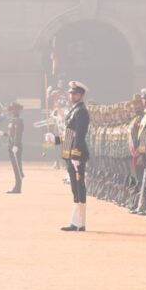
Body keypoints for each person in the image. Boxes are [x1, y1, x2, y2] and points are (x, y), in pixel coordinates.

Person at [60, 81, 91, 231]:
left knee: (79, 187)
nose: (72, 96)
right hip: (70, 154)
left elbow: (79, 135)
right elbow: (69, 135)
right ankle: (76, 221)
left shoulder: (81, 111)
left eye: (75, 94)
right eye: (71, 93)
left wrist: (76, 155)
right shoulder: (74, 110)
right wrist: (55, 139)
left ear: (81, 95)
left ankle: (80, 222)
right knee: (74, 187)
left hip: (76, 155)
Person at [7, 101, 25, 194]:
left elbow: (18, 134)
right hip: (11, 146)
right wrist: (2, 134)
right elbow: (11, 134)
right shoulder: (12, 120)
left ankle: (18, 187)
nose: (14, 111)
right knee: (15, 167)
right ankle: (17, 184)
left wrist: (16, 145)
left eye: (16, 109)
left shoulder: (19, 120)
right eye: (13, 109)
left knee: (17, 167)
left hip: (15, 146)